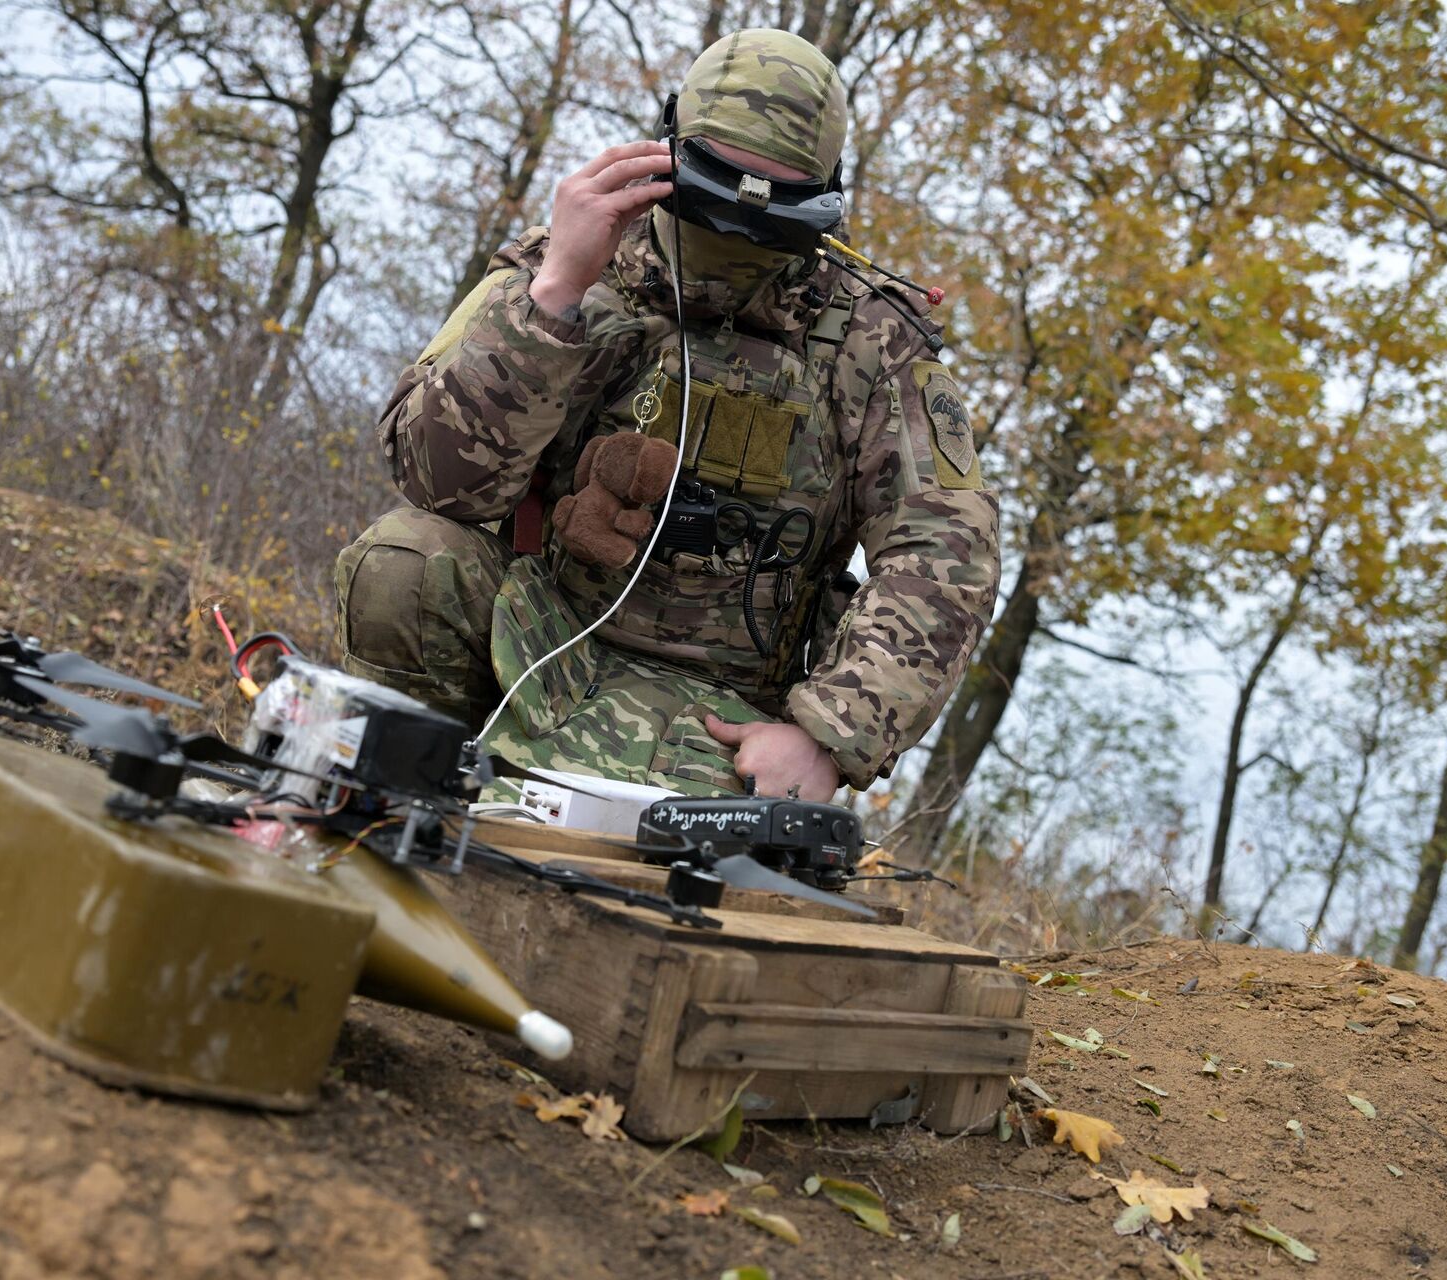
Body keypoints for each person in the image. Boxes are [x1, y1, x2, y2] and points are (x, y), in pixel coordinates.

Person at [331, 27, 999, 804]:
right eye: (721, 180)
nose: (740, 223)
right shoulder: (571, 263)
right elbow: (440, 486)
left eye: (778, 199)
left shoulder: (873, 340)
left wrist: (826, 737)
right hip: (536, 637)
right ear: (669, 146)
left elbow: (946, 554)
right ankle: (414, 797)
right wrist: (553, 297)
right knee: (405, 562)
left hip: (734, 713)